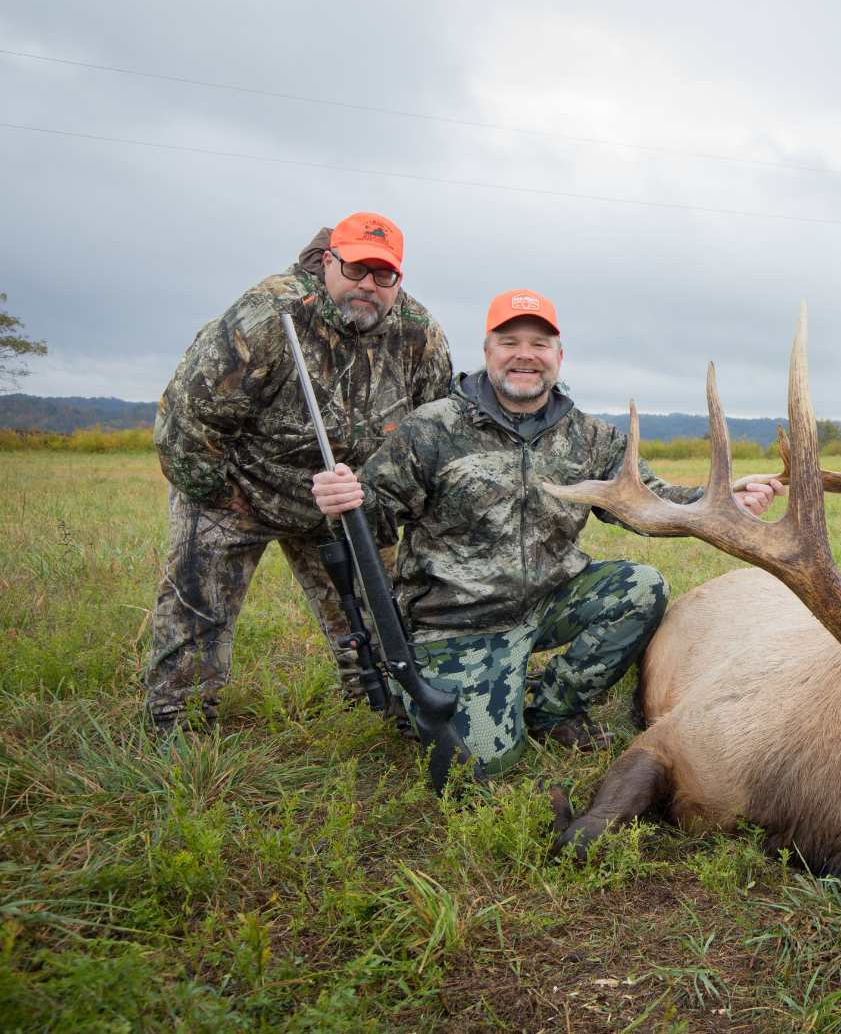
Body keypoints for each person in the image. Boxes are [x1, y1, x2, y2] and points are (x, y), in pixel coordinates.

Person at [310, 289, 784, 773]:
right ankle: (461, 691)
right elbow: (371, 517)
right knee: (481, 766)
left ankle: (552, 710)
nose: (524, 355)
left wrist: (727, 498)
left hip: (547, 600)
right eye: (509, 341)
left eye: (539, 344)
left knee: (640, 587)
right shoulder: (431, 428)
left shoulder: (592, 437)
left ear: (558, 356)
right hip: (456, 621)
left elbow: (650, 501)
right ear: (488, 351)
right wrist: (344, 501)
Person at [145, 213, 451, 733]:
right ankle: (180, 724)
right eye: (356, 269)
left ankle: (382, 707)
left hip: (342, 501)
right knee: (196, 613)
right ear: (329, 262)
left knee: (383, 618)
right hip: (239, 490)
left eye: (384, 276)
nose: (367, 286)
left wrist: (377, 500)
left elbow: (434, 433)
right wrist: (222, 497)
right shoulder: (268, 315)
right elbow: (186, 421)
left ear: (399, 279)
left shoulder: (419, 335)